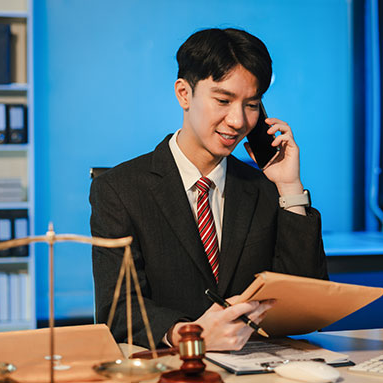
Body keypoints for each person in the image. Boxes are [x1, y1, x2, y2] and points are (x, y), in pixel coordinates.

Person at [90, 28, 328, 351]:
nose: (238, 120)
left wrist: (289, 186)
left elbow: (306, 303)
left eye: (252, 104)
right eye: (223, 100)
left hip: (257, 367)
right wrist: (190, 335)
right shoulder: (119, 190)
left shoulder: (265, 188)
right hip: (173, 367)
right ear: (184, 94)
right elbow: (118, 311)